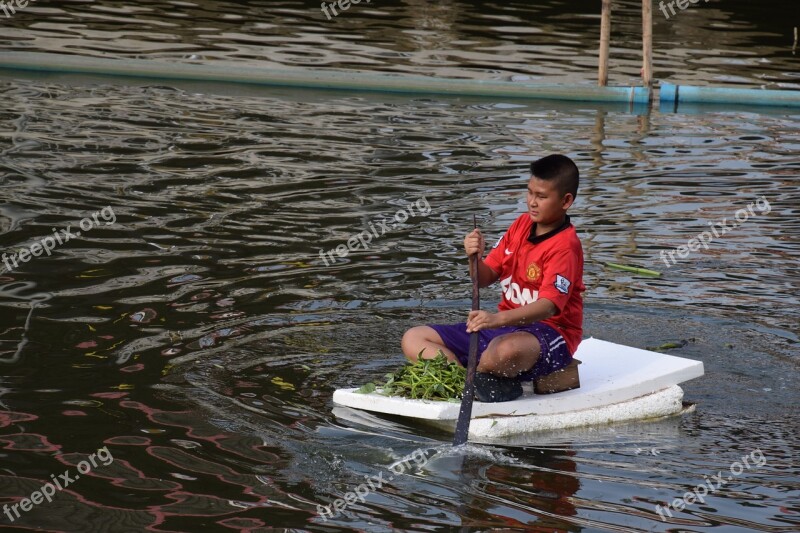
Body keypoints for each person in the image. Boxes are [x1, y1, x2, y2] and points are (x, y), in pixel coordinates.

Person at [401, 154, 585, 402]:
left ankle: (481, 373)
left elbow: (548, 307)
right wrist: (473, 257)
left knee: (504, 351)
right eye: (529, 193)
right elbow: (485, 277)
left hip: (550, 334)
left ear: (566, 201)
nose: (532, 202)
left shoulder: (565, 246)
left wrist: (495, 319)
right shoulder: (520, 224)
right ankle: (464, 382)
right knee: (414, 338)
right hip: (504, 327)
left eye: (541, 197)